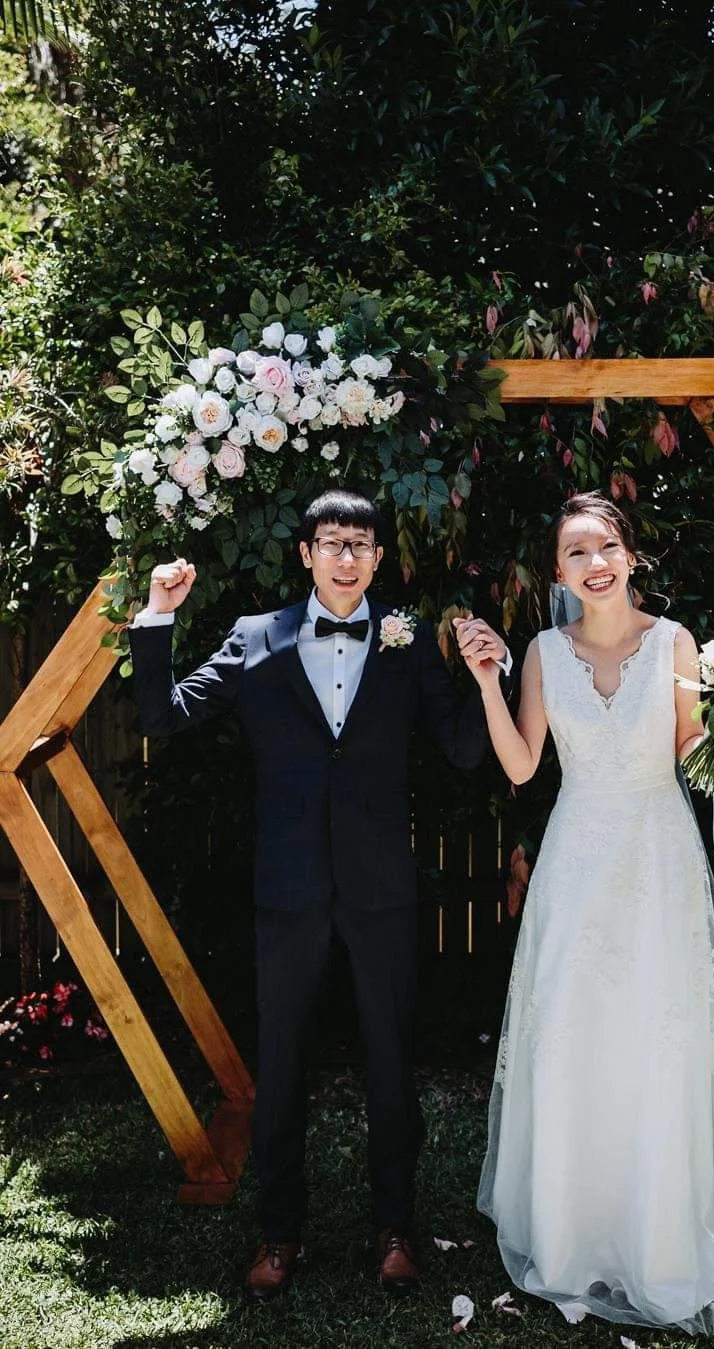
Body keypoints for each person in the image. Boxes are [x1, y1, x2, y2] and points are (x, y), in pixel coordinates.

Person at [128, 488, 509, 1303]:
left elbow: (468, 755)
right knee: (283, 1063)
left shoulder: (408, 643)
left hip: (382, 891)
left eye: (361, 545)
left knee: (391, 1064)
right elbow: (160, 715)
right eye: (332, 542)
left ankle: (395, 1227)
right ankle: (277, 1232)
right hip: (288, 887)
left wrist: (485, 679)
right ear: (305, 553)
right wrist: (159, 613)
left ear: (378, 558)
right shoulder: (252, 638)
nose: (346, 557)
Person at [460, 491, 714, 1339]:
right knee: (577, 1032)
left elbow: (688, 753)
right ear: (558, 572)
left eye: (605, 546)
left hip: (657, 860)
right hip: (576, 862)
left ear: (631, 555)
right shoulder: (541, 650)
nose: (594, 563)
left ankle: (662, 1235)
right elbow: (523, 764)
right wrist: (487, 684)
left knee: (658, 1035)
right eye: (576, 553)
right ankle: (576, 1231)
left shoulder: (676, 643)